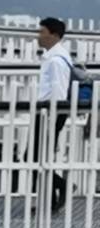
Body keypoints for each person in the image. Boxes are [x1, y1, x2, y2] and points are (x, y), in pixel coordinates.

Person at [37, 16, 74, 210]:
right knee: (42, 155)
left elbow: (58, 90)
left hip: (50, 113)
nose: (39, 36)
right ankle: (50, 201)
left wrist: (53, 116)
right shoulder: (56, 56)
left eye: (42, 32)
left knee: (35, 156)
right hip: (49, 112)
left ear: (54, 35)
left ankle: (64, 186)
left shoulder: (56, 61)